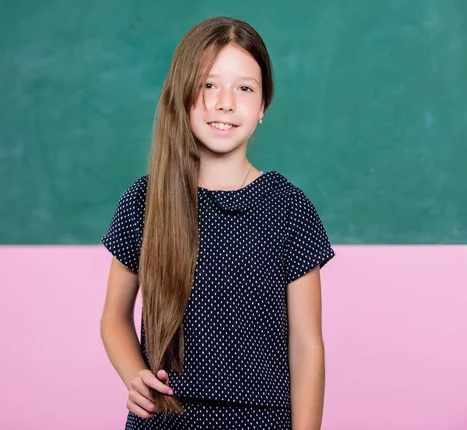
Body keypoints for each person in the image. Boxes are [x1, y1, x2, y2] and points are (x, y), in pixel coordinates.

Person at [100, 16, 335, 430]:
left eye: (244, 88)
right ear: (183, 93)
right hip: (166, 420)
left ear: (263, 107)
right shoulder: (145, 201)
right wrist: (133, 375)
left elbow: (306, 347)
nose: (225, 101)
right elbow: (114, 318)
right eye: (209, 84)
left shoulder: (290, 209)